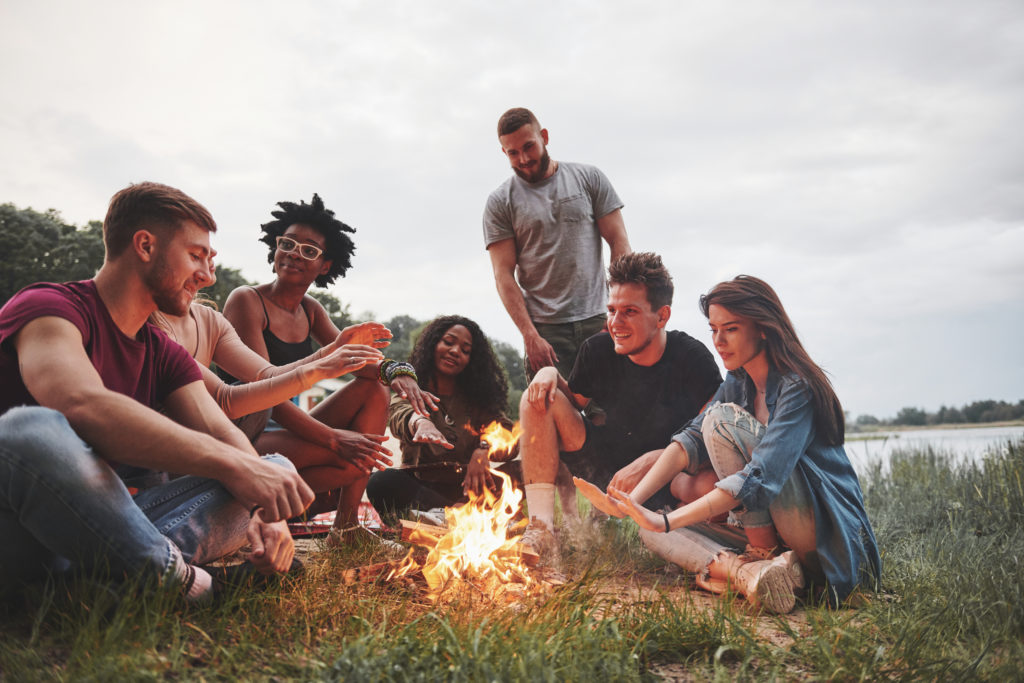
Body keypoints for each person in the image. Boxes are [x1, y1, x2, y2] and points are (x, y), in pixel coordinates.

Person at [0, 182, 314, 602]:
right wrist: (240, 470)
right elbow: (81, 404)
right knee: (29, 431)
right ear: (145, 245)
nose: (207, 275)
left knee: (275, 467)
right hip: (17, 526)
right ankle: (195, 585)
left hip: (96, 533)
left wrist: (265, 505)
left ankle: (92, 585)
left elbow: (225, 435)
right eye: (196, 256)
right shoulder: (50, 308)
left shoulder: (160, 349)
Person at [578, 276, 881, 613]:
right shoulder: (739, 380)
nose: (719, 341)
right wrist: (632, 504)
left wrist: (667, 522)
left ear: (763, 329)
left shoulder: (798, 387)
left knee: (718, 421)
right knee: (649, 531)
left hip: (826, 539)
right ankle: (754, 574)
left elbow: (758, 479)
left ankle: (753, 561)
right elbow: (688, 442)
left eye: (731, 329)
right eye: (713, 329)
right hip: (782, 539)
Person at [220, 193, 436, 547]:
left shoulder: (311, 310)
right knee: (353, 459)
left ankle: (346, 527)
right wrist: (334, 438)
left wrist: (398, 372)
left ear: (324, 265)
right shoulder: (247, 300)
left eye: (308, 250)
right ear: (274, 250)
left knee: (373, 392)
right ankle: (269, 510)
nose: (293, 253)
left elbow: (357, 363)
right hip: (245, 429)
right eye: (287, 243)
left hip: (285, 429)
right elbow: (264, 394)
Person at [518, 252, 722, 560]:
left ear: (662, 316)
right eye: (611, 310)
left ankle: (692, 539)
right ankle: (541, 528)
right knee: (537, 398)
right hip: (606, 470)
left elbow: (715, 437)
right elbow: (569, 405)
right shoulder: (597, 351)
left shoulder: (693, 358)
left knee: (712, 483)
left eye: (629, 312)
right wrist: (548, 374)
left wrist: (655, 459)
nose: (615, 322)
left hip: (670, 478)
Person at [483, 107, 632, 381]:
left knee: (615, 415)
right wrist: (530, 335)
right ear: (504, 153)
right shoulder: (500, 202)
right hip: (545, 332)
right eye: (513, 153)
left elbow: (619, 243)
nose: (524, 159)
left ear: (545, 137)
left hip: (599, 319)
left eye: (529, 146)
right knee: (550, 416)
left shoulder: (589, 178)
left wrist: (616, 314)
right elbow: (502, 274)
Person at [366, 315, 519, 516]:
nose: (455, 351)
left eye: (465, 350)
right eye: (448, 342)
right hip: (423, 490)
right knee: (381, 481)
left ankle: (457, 515)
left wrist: (484, 450)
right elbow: (400, 413)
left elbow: (508, 437)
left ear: (471, 361)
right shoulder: (411, 390)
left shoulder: (477, 400)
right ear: (432, 345)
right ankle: (451, 517)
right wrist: (421, 423)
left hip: (470, 491)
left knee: (522, 470)